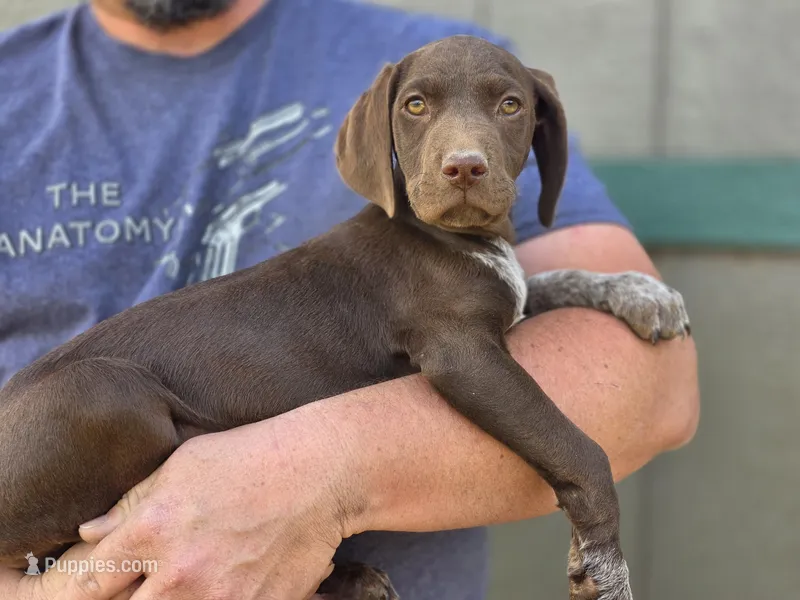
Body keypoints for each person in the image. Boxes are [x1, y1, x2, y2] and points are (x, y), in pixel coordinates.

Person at [0, 0, 700, 599]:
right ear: (384, 146)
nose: (463, 150)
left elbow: (657, 383)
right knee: (108, 400)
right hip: (58, 466)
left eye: (506, 107)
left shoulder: (424, 57)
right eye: (421, 108)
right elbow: (462, 348)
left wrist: (306, 477)